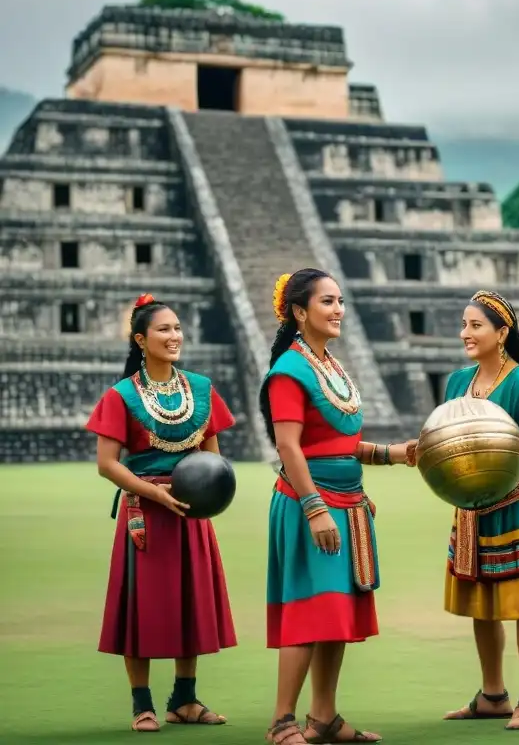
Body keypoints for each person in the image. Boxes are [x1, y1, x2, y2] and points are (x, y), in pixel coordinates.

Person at [261, 268, 418, 745]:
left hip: (347, 504)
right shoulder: (289, 370)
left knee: (334, 615)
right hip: (312, 505)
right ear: (298, 312)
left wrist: (395, 453)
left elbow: (341, 444)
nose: (337, 310)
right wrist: (313, 507)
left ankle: (323, 717)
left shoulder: (331, 366)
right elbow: (289, 447)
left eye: (340, 301)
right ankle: (282, 722)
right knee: (311, 612)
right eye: (326, 302)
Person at [87, 293, 237, 733]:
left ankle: (185, 700)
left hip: (191, 510)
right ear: (140, 339)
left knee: (189, 601)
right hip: (145, 514)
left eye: (177, 328)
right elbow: (107, 463)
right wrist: (155, 494)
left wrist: (209, 493)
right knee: (144, 607)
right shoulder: (121, 396)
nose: (175, 337)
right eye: (164, 330)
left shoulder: (202, 389)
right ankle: (142, 704)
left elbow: (213, 456)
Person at [440, 290, 519, 731]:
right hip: (472, 511)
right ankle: (493, 694)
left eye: (476, 326)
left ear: (502, 333)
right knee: (483, 603)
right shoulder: (458, 382)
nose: (465, 333)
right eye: (464, 324)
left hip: (516, 511)